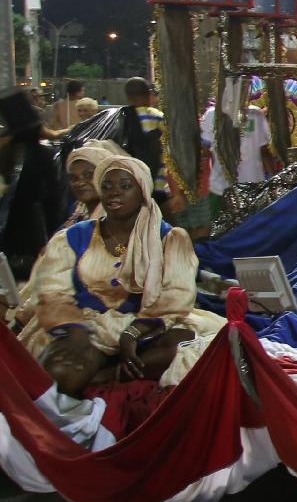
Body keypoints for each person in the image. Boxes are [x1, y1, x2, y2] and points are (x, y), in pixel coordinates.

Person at [20, 154, 223, 398]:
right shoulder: (73, 238)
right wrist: (76, 334)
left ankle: (108, 374)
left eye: (125, 187)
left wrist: (132, 333)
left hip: (147, 323)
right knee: (62, 372)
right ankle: (100, 370)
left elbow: (174, 296)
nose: (114, 194)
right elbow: (52, 292)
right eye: (106, 187)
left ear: (143, 191)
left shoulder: (169, 238)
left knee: (187, 347)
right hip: (88, 325)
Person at [1, 89, 66, 283]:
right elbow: (54, 196)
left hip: (10, 230)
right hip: (33, 226)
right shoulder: (42, 154)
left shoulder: (7, 155)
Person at [118, 78, 173, 213]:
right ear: (149, 94)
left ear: (128, 97)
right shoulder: (157, 116)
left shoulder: (122, 118)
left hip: (133, 183)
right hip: (158, 183)